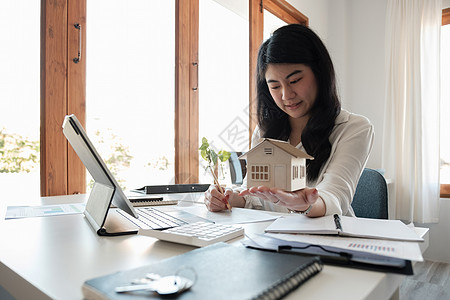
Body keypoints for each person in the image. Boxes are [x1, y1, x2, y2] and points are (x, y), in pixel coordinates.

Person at [204, 24, 374, 217]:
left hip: (327, 241)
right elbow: (252, 194)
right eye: (275, 86)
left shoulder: (354, 129)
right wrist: (226, 198)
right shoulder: (264, 131)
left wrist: (304, 204)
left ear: (320, 73)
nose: (286, 95)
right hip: (269, 240)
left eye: (295, 81)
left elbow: (336, 197)